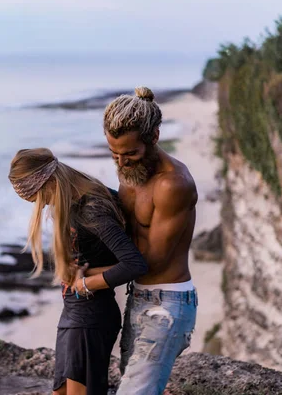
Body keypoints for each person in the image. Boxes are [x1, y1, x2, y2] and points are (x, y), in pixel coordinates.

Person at [72, 86, 198, 395]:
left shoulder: (173, 185)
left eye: (130, 153)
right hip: (137, 298)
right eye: (114, 153)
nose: (122, 162)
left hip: (169, 303)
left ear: (154, 137)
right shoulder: (129, 176)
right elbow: (124, 237)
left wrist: (88, 279)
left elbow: (147, 261)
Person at [8, 148, 148, 395]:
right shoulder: (77, 202)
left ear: (50, 182)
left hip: (90, 318)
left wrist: (86, 283)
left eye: (39, 199)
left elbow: (135, 264)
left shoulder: (91, 208)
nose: (41, 208)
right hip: (74, 314)